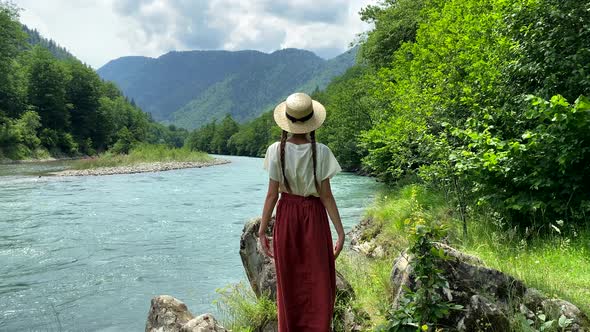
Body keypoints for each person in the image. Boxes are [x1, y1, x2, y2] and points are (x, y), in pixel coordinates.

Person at [258, 92, 345, 331]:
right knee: (318, 280)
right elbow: (326, 196)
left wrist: (262, 231)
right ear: (312, 121)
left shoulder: (276, 150)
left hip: (286, 216)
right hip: (314, 217)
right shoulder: (322, 151)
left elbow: (271, 195)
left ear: (286, 121)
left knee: (289, 282)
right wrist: (340, 232)